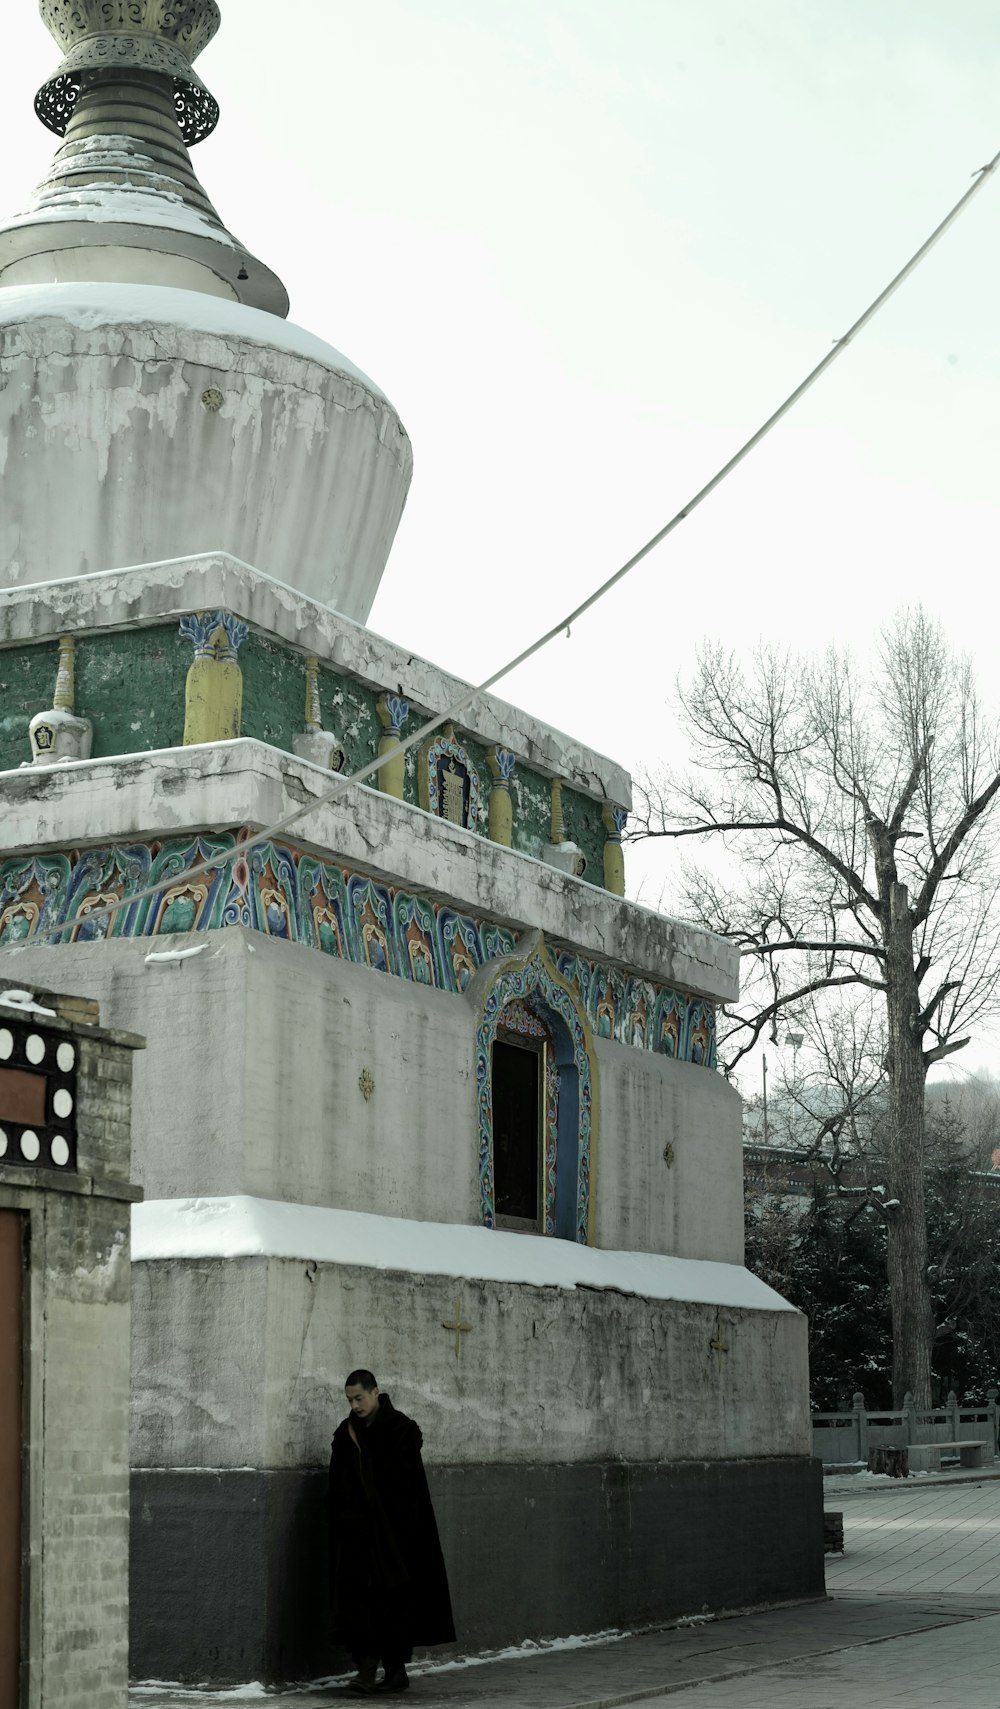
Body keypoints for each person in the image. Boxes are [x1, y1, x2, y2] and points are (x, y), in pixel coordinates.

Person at [328, 1369, 456, 1695]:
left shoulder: (400, 1432)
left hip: (396, 1536)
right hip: (359, 1537)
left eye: (359, 1398)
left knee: (392, 1603)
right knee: (364, 1602)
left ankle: (392, 1670)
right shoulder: (346, 1435)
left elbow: (409, 1490)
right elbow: (337, 1485)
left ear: (375, 1392)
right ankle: (370, 1670)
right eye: (350, 1400)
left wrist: (402, 1532)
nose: (355, 1405)